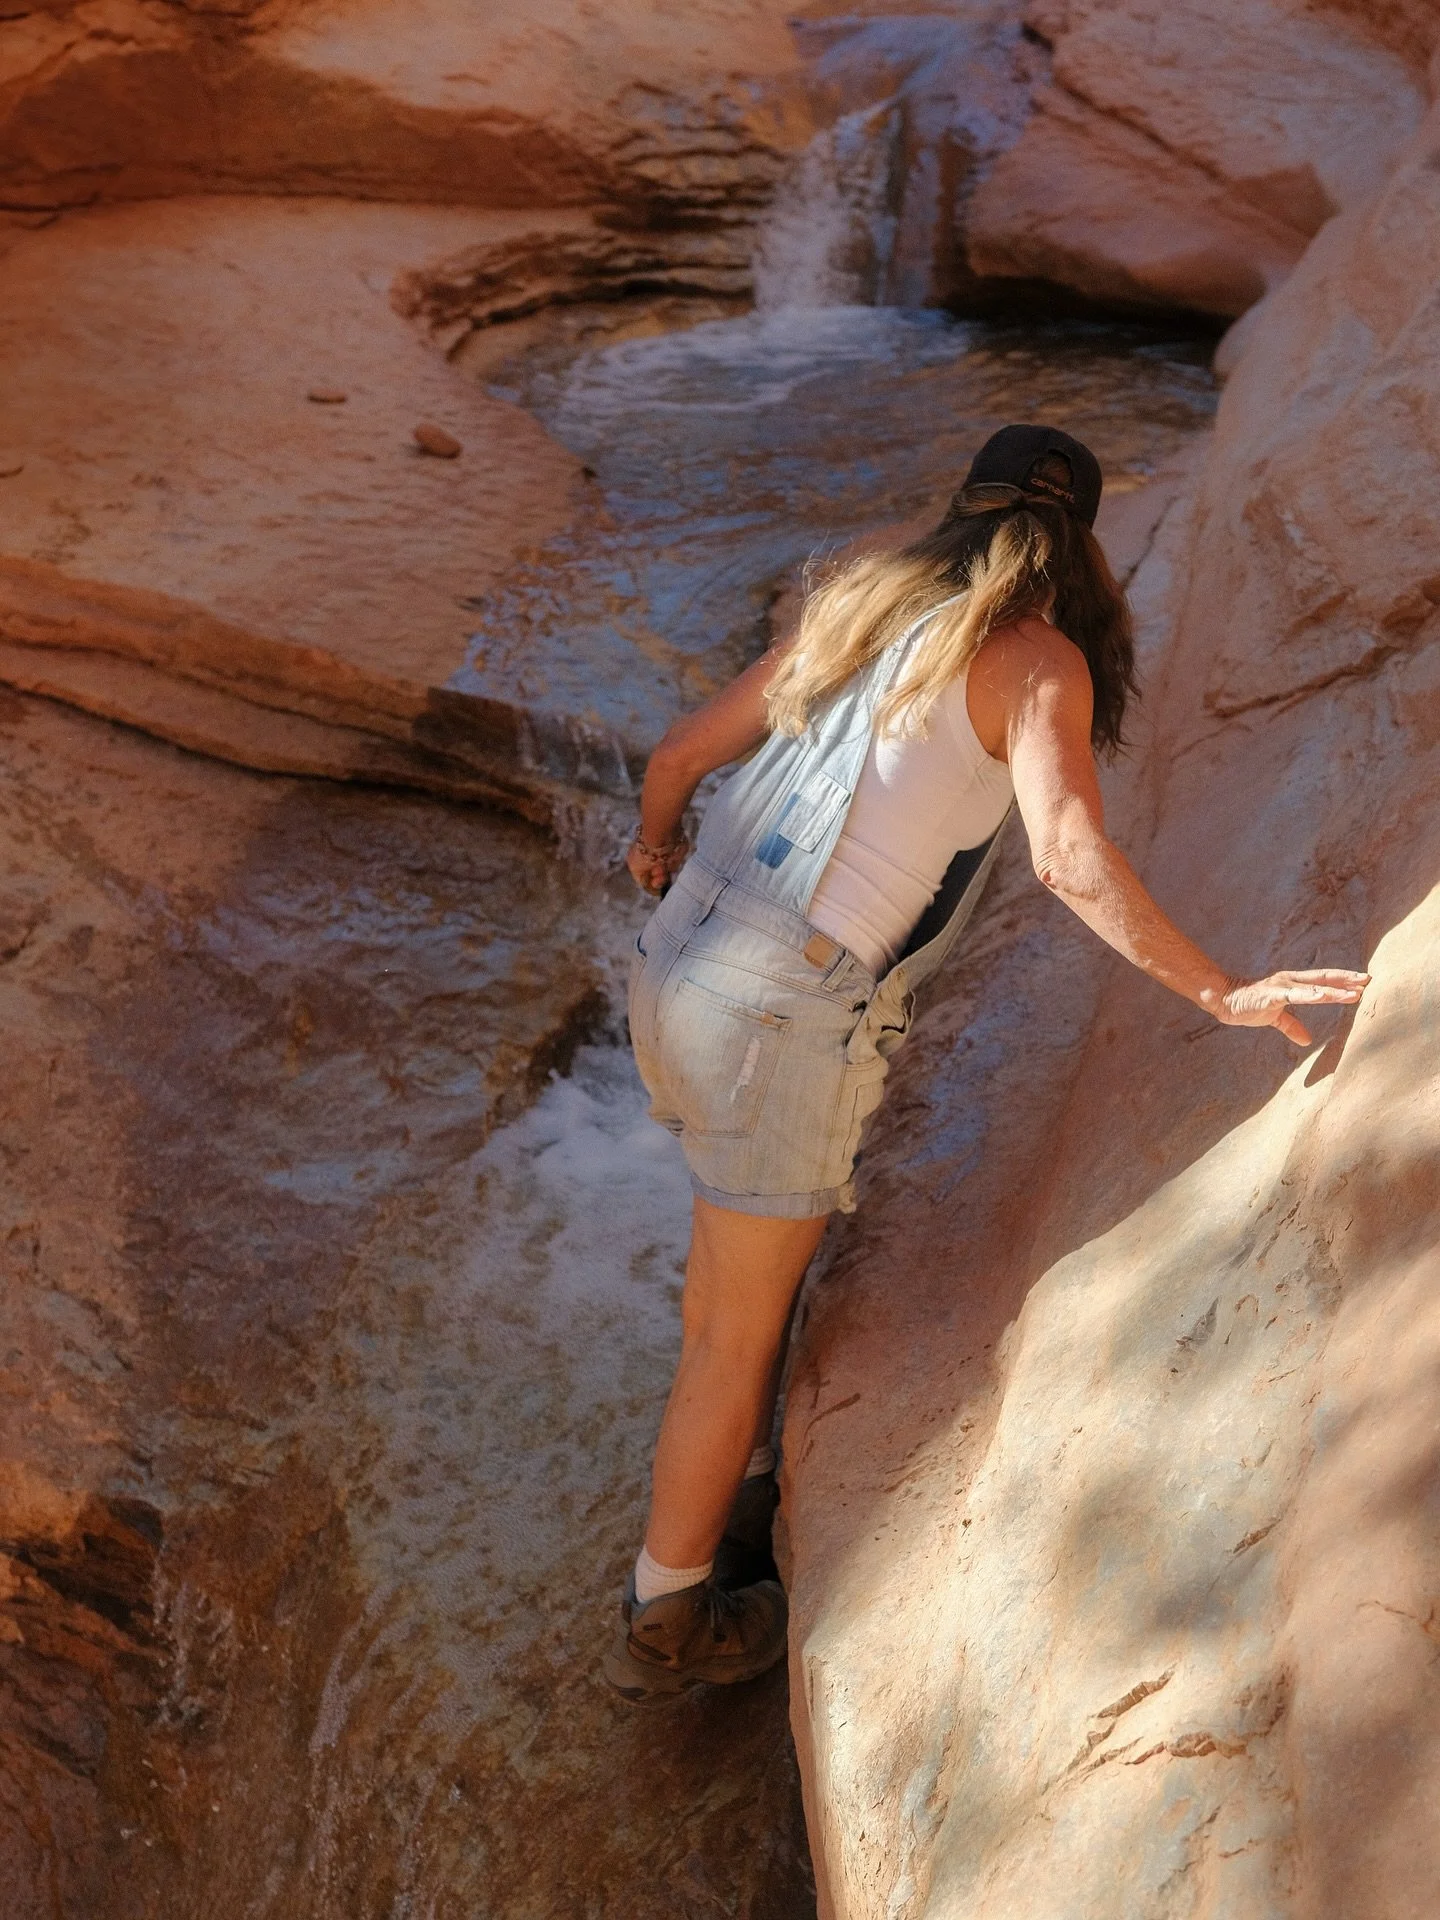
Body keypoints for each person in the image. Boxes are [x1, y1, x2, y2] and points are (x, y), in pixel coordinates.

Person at [605, 424, 1369, 1701]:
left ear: (960, 508)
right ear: (1084, 547)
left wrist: (651, 846)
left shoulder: (854, 606)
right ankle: (664, 1624)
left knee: (725, 1296)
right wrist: (1224, 992)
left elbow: (681, 755)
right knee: (723, 1343)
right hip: (774, 1023)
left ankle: (739, 1492)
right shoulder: (1034, 663)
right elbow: (1069, 860)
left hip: (670, 970)